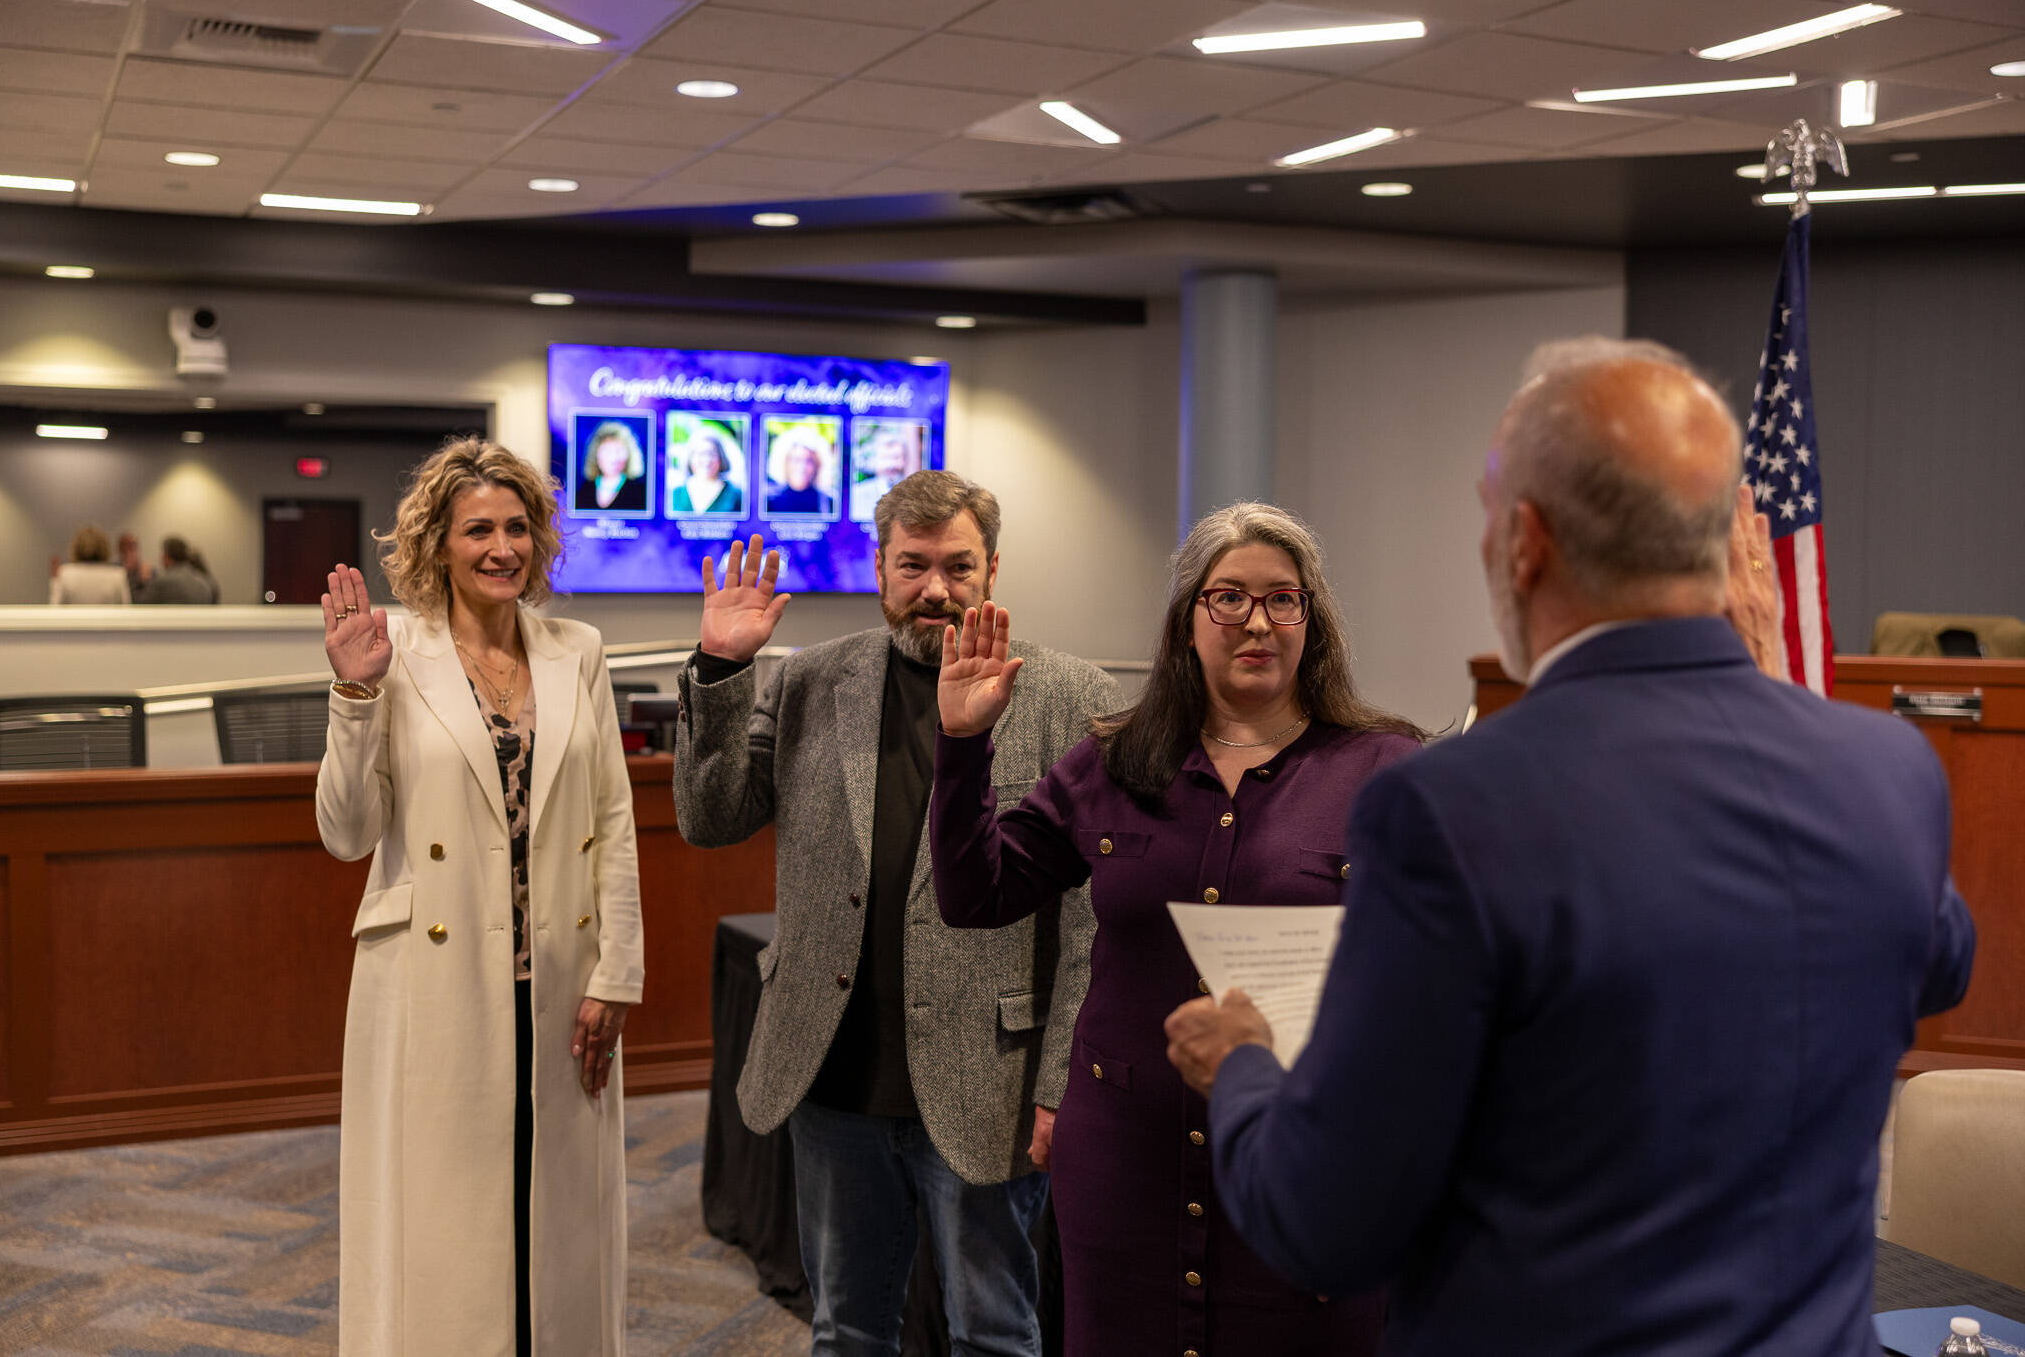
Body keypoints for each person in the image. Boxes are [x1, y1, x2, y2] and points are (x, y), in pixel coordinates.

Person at [1165, 338, 1978, 1357]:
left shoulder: (1449, 809)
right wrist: (1770, 680)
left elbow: (1326, 1224)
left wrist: (1242, 1070)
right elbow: (1938, 961)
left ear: (1525, 544)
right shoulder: (1882, 768)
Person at [927, 502, 1424, 1357]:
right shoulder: (1116, 761)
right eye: (1227, 597)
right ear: (1187, 620)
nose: (1256, 621)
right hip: (1124, 1168)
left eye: (1283, 598)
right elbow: (977, 894)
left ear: (1314, 619)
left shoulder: (1386, 770)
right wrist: (964, 744)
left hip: (1304, 1162)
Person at [673, 471, 1118, 1356]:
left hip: (988, 1081)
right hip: (834, 1081)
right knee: (847, 1331)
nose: (937, 591)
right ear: (879, 568)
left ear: (995, 571)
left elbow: (1091, 924)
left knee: (994, 1333)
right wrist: (723, 668)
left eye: (959, 566)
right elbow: (711, 817)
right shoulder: (812, 681)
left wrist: (1063, 1083)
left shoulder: (1072, 698)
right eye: (913, 566)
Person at [316, 437, 642, 1357]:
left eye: (518, 527)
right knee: (446, 1222)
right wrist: (352, 692)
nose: (502, 547)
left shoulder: (577, 650)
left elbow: (613, 818)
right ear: (437, 545)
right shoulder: (393, 651)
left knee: (562, 1212)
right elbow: (346, 833)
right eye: (478, 531)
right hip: (434, 979)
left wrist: (620, 970)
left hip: (562, 977)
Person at [848, 422, 919, 524]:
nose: (891, 465)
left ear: (905, 460)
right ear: (874, 461)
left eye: (897, 458)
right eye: (886, 458)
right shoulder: (857, 493)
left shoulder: (913, 495)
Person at [668, 423, 746, 516]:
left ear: (721, 457)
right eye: (700, 454)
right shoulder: (675, 494)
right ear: (690, 457)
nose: (706, 460)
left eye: (712, 454)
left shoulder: (736, 495)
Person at [574, 420, 648, 513]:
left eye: (618, 451)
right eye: (607, 451)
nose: (613, 458)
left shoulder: (640, 492)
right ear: (596, 454)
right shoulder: (583, 490)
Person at [48, 525, 131, 603]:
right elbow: (126, 610)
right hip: (107, 618)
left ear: (76, 548)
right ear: (104, 548)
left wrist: (55, 581)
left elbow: (55, 607)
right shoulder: (118, 575)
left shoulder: (65, 573)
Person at [763, 427, 835, 516]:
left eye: (809, 461)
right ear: (785, 463)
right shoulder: (769, 500)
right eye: (796, 460)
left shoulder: (828, 502)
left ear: (817, 465)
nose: (802, 467)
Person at [137, 535, 218, 604]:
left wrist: (143, 582)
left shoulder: (162, 582)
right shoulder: (205, 581)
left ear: (167, 556)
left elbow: (140, 606)